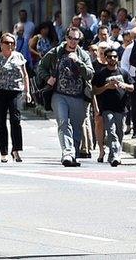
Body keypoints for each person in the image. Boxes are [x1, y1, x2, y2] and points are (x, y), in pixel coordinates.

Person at [37, 27, 95, 167]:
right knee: (63, 123)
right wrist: (48, 78)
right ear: (66, 38)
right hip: (59, 95)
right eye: (70, 38)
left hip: (78, 96)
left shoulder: (83, 55)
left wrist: (78, 62)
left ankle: (73, 154)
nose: (73, 41)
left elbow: (90, 74)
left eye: (76, 39)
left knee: (77, 127)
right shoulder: (56, 52)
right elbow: (41, 67)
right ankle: (67, 153)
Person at [0, 32, 30, 163]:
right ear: (1, 44)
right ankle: (3, 152)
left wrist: (27, 92)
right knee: (1, 122)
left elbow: (25, 75)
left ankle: (16, 150)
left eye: (12, 43)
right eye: (6, 43)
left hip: (15, 91)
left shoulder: (19, 56)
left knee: (16, 120)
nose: (9, 45)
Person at [92, 48, 133, 167]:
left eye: (114, 56)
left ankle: (114, 154)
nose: (112, 59)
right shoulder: (100, 74)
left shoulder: (123, 73)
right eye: (109, 57)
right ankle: (115, 155)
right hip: (106, 108)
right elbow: (94, 90)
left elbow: (132, 87)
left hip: (121, 108)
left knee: (120, 132)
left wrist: (122, 85)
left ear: (117, 58)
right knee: (111, 131)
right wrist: (106, 87)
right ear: (105, 58)